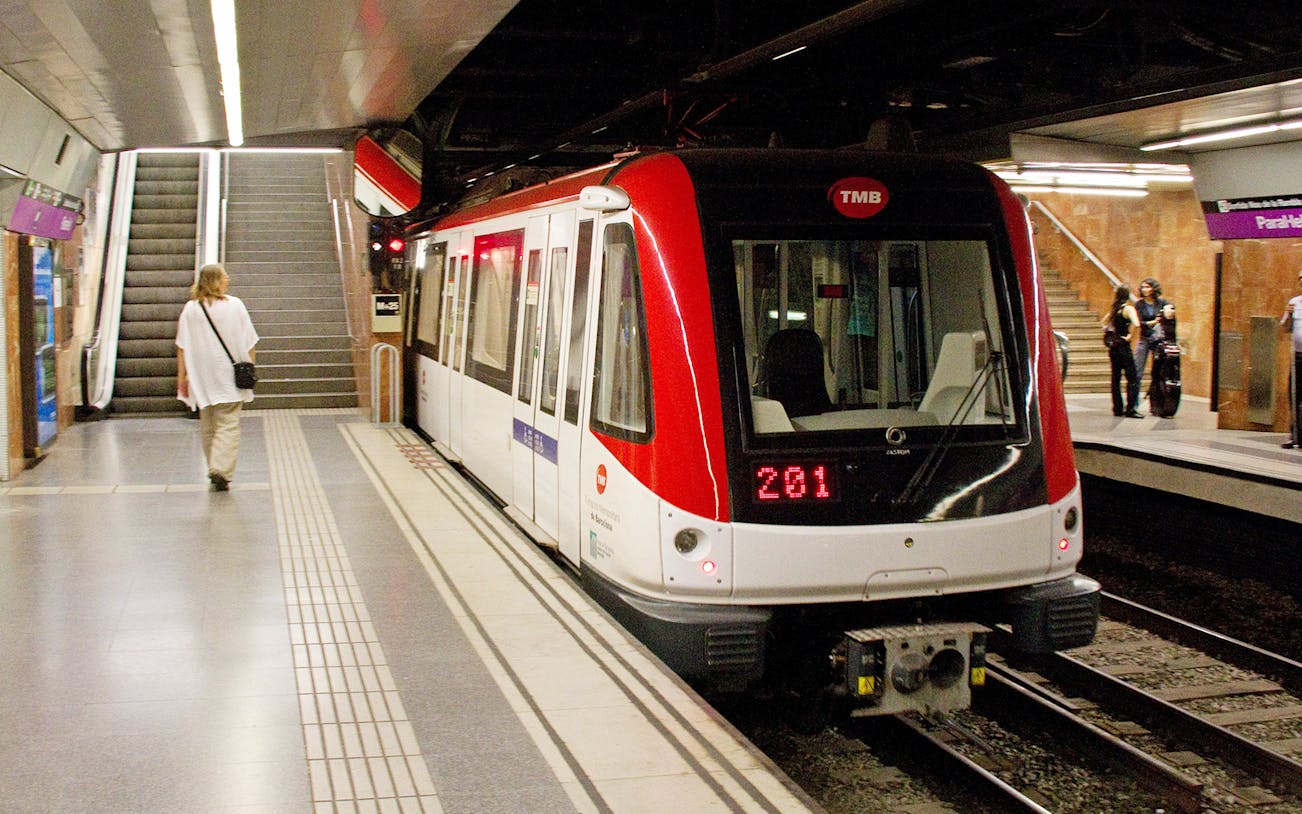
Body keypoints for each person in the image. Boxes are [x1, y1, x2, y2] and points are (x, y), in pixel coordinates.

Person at [176, 263, 259, 490]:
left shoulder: (191, 309)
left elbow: (182, 346)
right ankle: (220, 468)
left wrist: (182, 376)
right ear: (215, 280)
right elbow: (250, 340)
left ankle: (214, 465)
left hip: (202, 376)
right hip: (229, 375)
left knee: (209, 424)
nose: (227, 279)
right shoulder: (235, 305)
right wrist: (250, 366)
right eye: (224, 276)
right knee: (228, 423)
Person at [1106, 285, 1143, 418]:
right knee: (1132, 378)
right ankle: (1131, 408)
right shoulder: (1128, 309)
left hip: (1113, 347)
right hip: (1123, 346)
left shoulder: (1115, 309)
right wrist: (1129, 336)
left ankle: (1117, 408)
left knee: (1115, 378)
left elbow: (1104, 324)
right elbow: (1137, 324)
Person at [1133, 277, 1168, 396]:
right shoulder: (1139, 304)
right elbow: (1139, 322)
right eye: (1143, 287)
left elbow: (1169, 312)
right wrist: (1152, 322)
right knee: (1137, 369)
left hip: (1158, 340)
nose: (1144, 289)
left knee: (1158, 370)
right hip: (1145, 338)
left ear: (1153, 289)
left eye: (1147, 287)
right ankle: (1133, 402)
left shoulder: (1162, 302)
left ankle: (1156, 399)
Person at [1282, 270, 1302, 449]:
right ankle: (1294, 435)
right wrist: (1288, 316)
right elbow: (1286, 329)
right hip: (1297, 357)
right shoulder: (1294, 302)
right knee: (1294, 395)